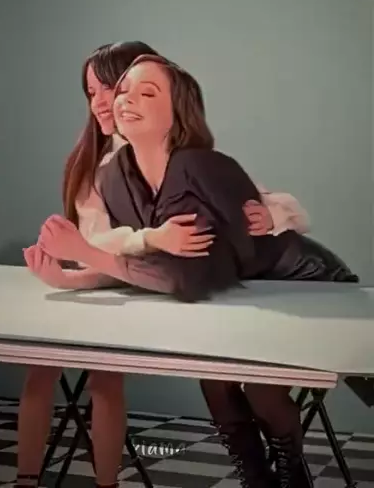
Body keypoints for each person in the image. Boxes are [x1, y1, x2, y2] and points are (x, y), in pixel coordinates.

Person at [38, 54, 357, 488]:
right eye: (123, 90)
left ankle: (291, 468)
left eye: (146, 93)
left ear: (178, 114)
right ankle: (255, 477)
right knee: (214, 379)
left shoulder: (198, 167)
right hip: (244, 289)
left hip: (306, 284)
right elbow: (147, 265)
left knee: (262, 385)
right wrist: (74, 275)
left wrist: (86, 254)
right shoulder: (114, 178)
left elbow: (187, 277)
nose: (122, 100)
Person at [19, 41, 216, 488]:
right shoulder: (93, 161)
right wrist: (70, 275)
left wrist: (273, 215)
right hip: (102, 279)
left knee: (105, 379)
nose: (100, 101)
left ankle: (106, 482)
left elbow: (126, 252)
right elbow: (94, 244)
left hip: (134, 287)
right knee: (40, 366)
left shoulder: (171, 154)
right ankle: (26, 479)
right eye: (91, 92)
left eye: (110, 87)